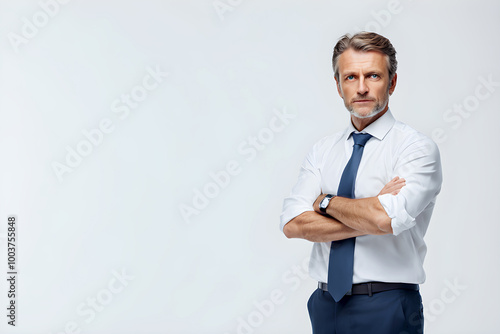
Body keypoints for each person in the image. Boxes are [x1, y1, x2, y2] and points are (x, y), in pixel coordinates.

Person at [280, 31, 442, 334]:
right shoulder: (322, 150)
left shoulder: (415, 149)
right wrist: (371, 214)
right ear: (339, 86)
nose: (362, 87)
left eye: (373, 76)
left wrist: (325, 202)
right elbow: (293, 224)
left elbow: (385, 218)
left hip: (388, 303)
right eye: (351, 77)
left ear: (391, 82)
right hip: (325, 303)